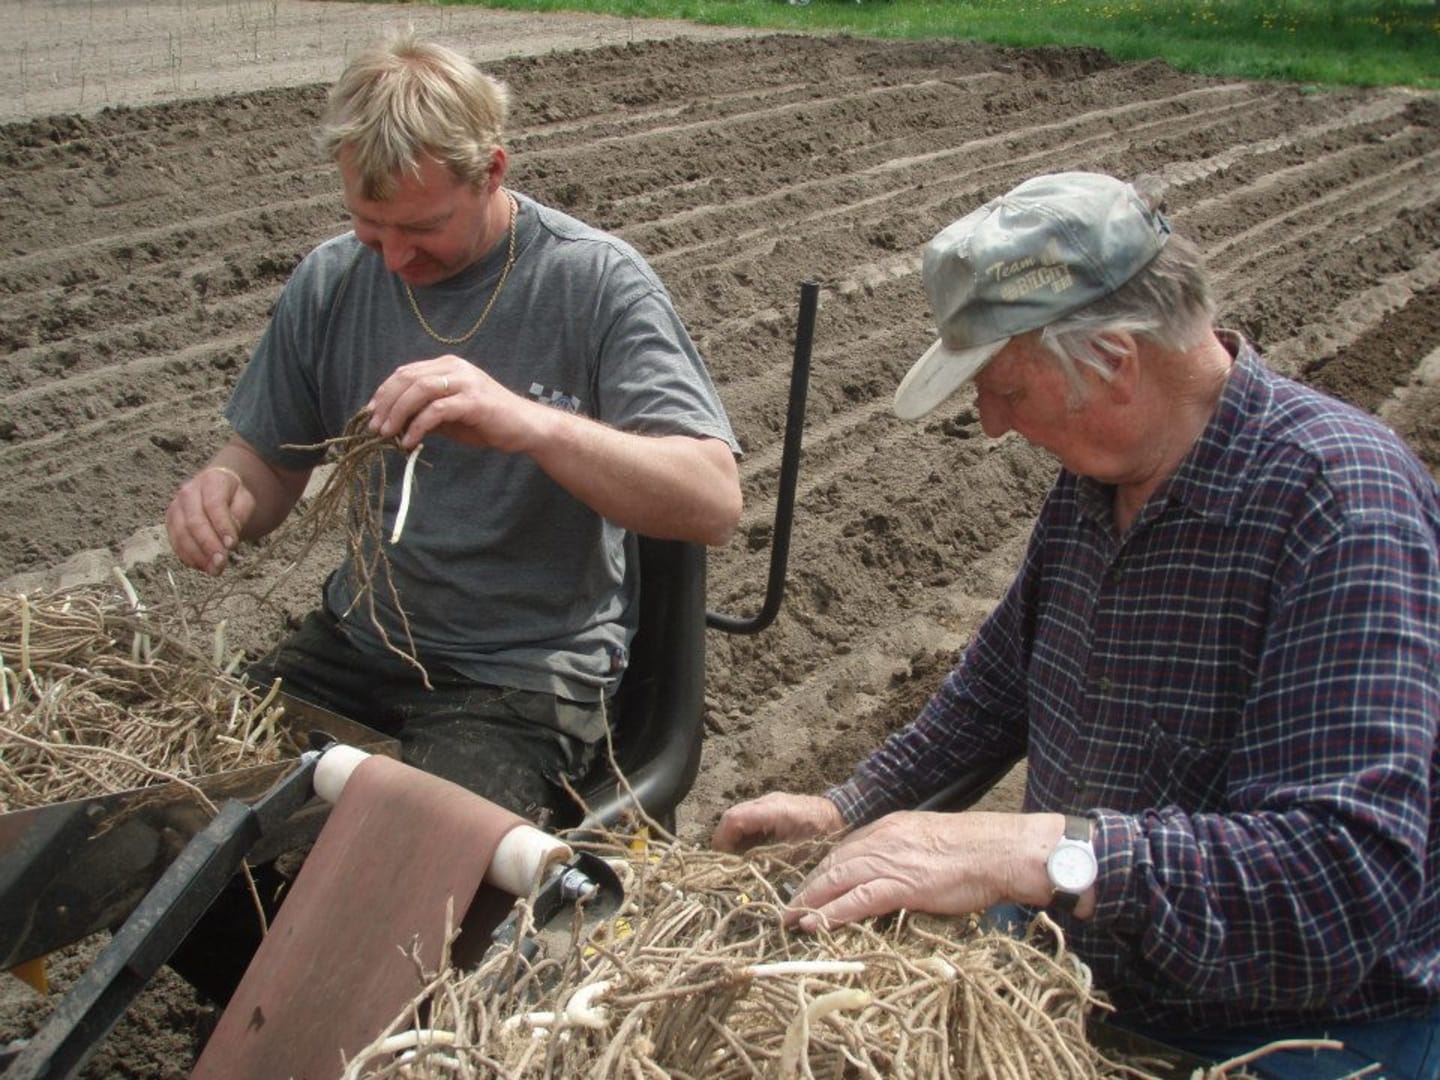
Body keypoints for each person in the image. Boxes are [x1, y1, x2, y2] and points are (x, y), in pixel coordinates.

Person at [712, 172, 1439, 1079]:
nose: (987, 424)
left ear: (1116, 362)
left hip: (1300, 1035)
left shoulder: (1338, 509)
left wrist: (1032, 849)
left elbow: (1336, 887)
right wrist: (843, 809)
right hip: (1084, 974)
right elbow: (1004, 684)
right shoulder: (1102, 479)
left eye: (1005, 387)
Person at [165, 30, 742, 828]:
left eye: (423, 228)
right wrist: (223, 491)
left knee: (403, 860)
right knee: (183, 806)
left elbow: (712, 500)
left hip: (522, 677)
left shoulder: (593, 282)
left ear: (493, 171)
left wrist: (529, 425)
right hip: (358, 644)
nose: (395, 258)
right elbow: (264, 466)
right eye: (371, 226)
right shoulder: (333, 281)